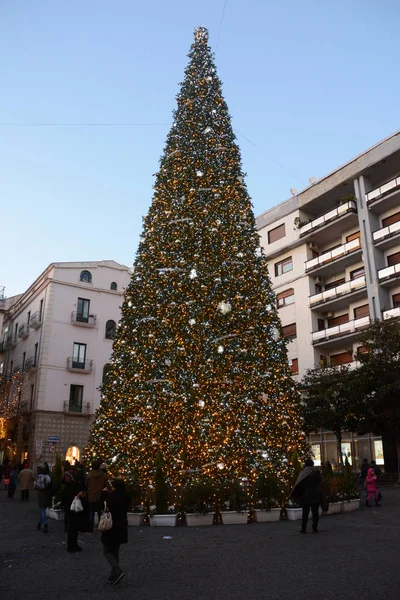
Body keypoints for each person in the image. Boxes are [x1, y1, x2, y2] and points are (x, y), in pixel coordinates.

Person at [101, 479, 129, 585]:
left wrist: (103, 494)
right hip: (121, 525)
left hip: (111, 525)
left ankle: (116, 569)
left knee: (107, 550)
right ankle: (114, 575)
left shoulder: (111, 497)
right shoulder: (126, 495)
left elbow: (103, 507)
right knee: (115, 550)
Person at [62, 463, 89, 552]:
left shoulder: (70, 485)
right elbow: (85, 499)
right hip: (78, 511)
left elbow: (65, 497)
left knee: (72, 529)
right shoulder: (82, 487)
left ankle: (72, 545)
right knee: (74, 529)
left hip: (70, 510)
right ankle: (72, 546)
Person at [291, 459, 323, 534]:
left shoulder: (303, 473)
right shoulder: (317, 472)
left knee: (305, 512)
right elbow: (321, 483)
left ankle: (304, 528)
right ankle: (314, 528)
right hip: (316, 494)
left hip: (306, 495)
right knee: (315, 512)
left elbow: (299, 484)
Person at [86, 460, 108, 532]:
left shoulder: (89, 474)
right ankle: (100, 526)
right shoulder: (103, 475)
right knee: (100, 512)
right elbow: (106, 485)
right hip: (100, 496)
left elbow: (86, 484)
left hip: (91, 496)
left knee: (91, 512)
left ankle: (90, 528)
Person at [36, 465, 52, 533]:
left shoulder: (39, 477)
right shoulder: (48, 478)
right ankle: (39, 523)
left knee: (43, 510)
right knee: (44, 510)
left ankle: (45, 525)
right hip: (47, 495)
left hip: (41, 496)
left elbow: (37, 487)